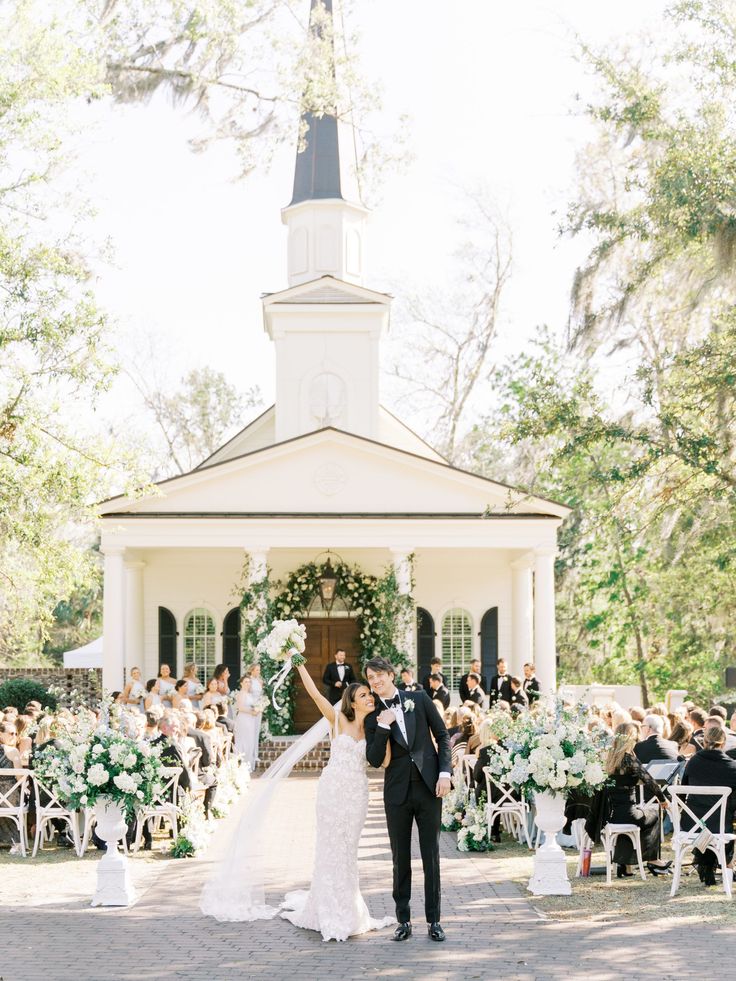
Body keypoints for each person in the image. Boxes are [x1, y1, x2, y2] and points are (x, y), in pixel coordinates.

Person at [277, 663, 394, 941]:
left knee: (348, 850)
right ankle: (326, 908)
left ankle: (349, 910)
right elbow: (315, 694)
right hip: (331, 792)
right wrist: (299, 662)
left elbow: (386, 761)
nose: (370, 698)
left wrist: (385, 730)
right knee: (330, 848)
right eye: (364, 694)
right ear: (352, 700)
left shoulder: (373, 728)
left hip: (357, 794)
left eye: (371, 695)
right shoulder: (338, 719)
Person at [365, 656, 452, 943]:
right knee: (400, 858)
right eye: (370, 678)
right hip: (397, 793)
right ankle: (403, 920)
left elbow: (442, 734)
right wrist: (384, 726)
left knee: (431, 856)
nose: (375, 681)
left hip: (429, 788)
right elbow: (375, 759)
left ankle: (434, 920)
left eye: (379, 675)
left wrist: (444, 772)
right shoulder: (372, 714)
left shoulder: (419, 698)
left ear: (390, 675)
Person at [587, 722, 670, 878]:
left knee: (634, 820)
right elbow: (650, 781)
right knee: (654, 814)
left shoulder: (609, 758)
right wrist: (663, 800)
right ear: (631, 737)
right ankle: (653, 860)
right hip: (627, 813)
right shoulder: (628, 759)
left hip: (610, 814)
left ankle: (627, 866)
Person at [680, 722, 736, 886]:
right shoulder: (732, 767)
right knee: (722, 820)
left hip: (692, 824)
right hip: (720, 824)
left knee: (707, 821)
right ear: (724, 743)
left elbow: (682, 793)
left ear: (704, 742)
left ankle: (705, 863)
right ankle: (726, 865)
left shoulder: (693, 763)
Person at [234, 676, 261, 771]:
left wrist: (258, 709)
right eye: (246, 682)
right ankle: (240, 765)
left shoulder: (249, 694)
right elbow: (240, 708)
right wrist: (252, 711)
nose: (248, 684)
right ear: (241, 683)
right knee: (243, 741)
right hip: (243, 719)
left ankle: (248, 764)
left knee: (250, 740)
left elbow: (254, 706)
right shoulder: (241, 694)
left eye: (249, 682)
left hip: (251, 719)